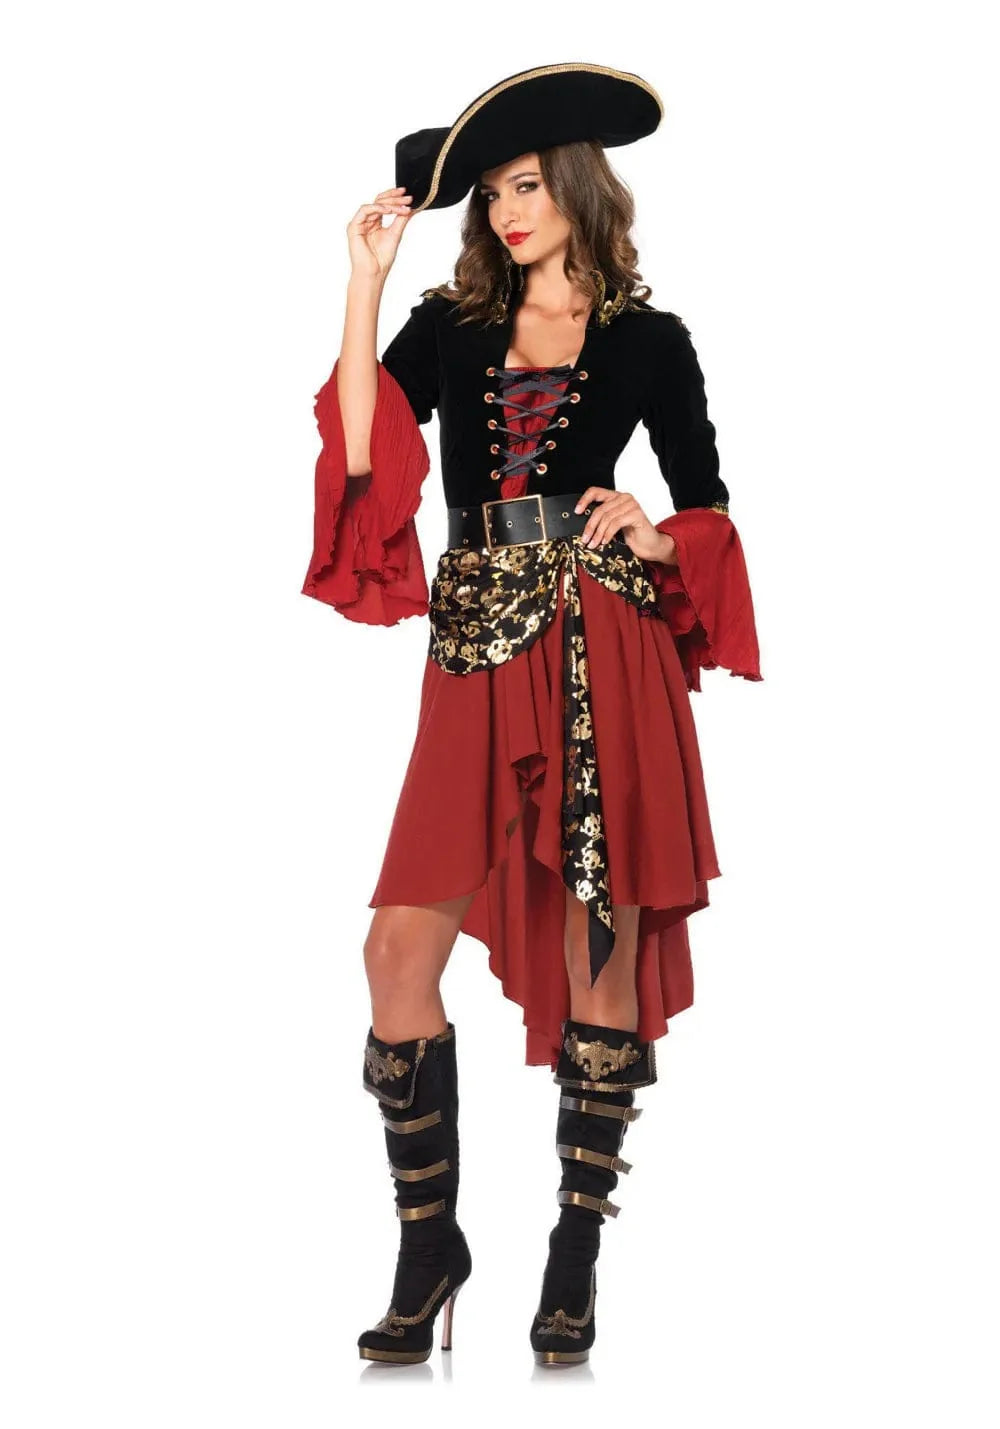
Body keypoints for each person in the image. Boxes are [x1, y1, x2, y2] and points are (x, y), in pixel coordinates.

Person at [300, 63, 762, 1367]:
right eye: (491, 193)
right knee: (398, 950)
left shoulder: (649, 340)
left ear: (573, 187)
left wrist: (653, 531)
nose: (506, 212)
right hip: (472, 647)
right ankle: (429, 1245)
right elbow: (361, 445)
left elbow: (708, 506)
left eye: (524, 186)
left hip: (602, 642)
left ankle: (573, 1255)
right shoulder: (451, 324)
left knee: (594, 933)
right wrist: (365, 281)